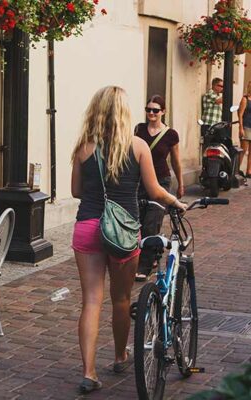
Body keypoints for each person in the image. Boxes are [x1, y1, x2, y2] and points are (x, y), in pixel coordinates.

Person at [70, 86, 186, 394]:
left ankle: (89, 371)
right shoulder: (137, 147)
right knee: (120, 299)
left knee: (91, 300)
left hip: (88, 225)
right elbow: (155, 191)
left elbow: (76, 191)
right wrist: (175, 201)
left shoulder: (83, 147)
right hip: (122, 229)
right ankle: (121, 355)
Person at [134, 95, 184, 281]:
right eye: (148, 110)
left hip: (161, 181)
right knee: (137, 220)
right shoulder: (139, 130)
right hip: (140, 181)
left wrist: (180, 183)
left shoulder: (171, 135)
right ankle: (154, 252)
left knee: (151, 222)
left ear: (163, 111)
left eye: (155, 110)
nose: (151, 113)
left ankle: (144, 267)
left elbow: (176, 161)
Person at [237, 81, 251, 178]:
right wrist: (240, 127)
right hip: (246, 126)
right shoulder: (245, 99)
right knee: (243, 149)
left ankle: (249, 171)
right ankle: (236, 169)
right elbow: (240, 114)